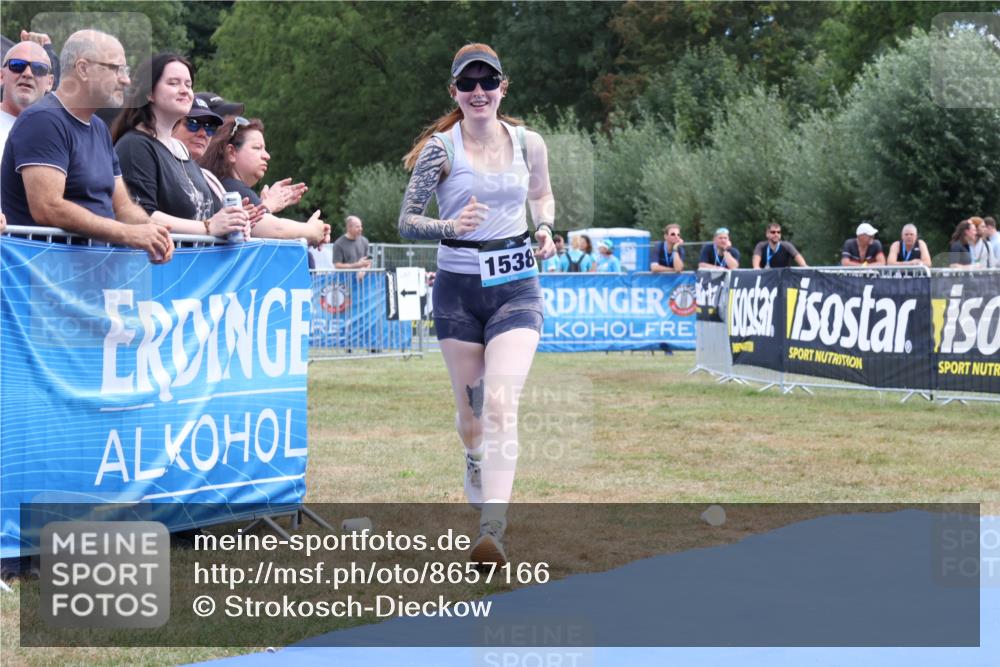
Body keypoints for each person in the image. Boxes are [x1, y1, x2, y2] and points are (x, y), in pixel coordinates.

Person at [398, 43, 555, 567]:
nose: (479, 92)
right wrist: (450, 226)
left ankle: (492, 528)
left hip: (517, 288)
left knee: (503, 402)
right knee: (472, 418)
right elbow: (406, 221)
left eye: (488, 82)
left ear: (503, 87)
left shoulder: (530, 141)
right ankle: (472, 456)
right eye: (468, 84)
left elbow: (541, 194)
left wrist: (547, 228)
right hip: (458, 293)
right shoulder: (441, 151)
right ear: (455, 93)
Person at [0, 30, 173, 261]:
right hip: (42, 280)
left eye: (126, 71)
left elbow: (122, 206)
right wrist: (128, 233)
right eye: (116, 69)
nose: (126, 79)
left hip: (87, 279)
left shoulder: (99, 127)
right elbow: (48, 207)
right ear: (83, 69)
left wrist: (153, 231)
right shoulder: (42, 120)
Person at [111, 54, 250, 238]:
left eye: (188, 84)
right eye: (174, 83)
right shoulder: (135, 146)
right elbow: (142, 215)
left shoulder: (180, 149)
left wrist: (234, 223)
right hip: (160, 263)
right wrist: (208, 227)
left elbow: (207, 216)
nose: (185, 91)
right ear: (149, 93)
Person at [198, 116, 329, 246]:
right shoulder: (232, 188)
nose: (267, 156)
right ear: (231, 153)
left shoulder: (224, 184)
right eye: (257, 148)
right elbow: (277, 230)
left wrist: (265, 207)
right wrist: (313, 230)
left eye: (264, 149)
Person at [0, 38, 53, 154]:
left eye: (39, 68)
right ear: (1, 76)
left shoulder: (58, 133)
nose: (28, 74)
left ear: (50, 83)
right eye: (17, 65)